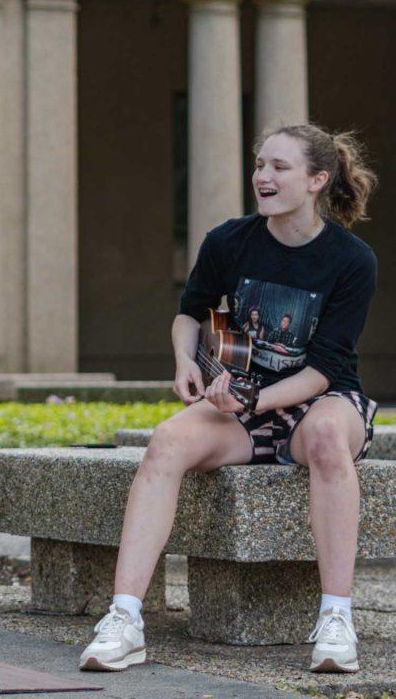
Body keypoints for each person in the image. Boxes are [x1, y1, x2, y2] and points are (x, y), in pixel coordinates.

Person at [78, 123, 378, 674]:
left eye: (279, 167)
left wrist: (251, 398)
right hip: (241, 400)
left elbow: (322, 371)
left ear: (316, 179)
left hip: (322, 399)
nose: (262, 176)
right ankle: (124, 619)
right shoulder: (228, 241)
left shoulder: (351, 260)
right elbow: (190, 313)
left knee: (330, 438)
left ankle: (336, 619)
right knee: (167, 442)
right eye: (260, 164)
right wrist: (186, 361)